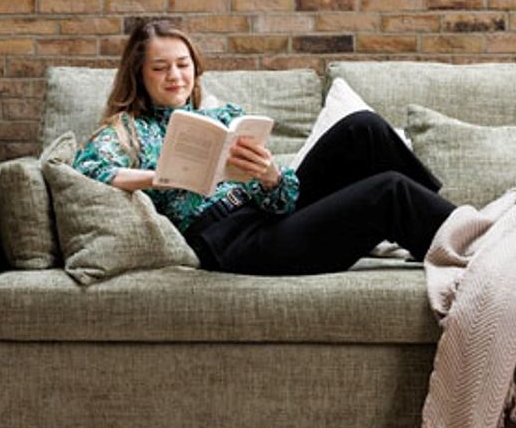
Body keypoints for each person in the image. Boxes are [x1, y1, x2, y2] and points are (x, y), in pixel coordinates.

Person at [73, 21, 456, 276]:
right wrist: (160, 177)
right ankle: (468, 243)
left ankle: (451, 227)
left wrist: (271, 177)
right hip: (229, 241)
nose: (175, 76)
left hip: (265, 216)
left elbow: (280, 202)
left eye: (183, 65)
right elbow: (89, 171)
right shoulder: (128, 129)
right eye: (160, 68)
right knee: (388, 191)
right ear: (139, 74)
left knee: (363, 127)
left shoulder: (223, 118)